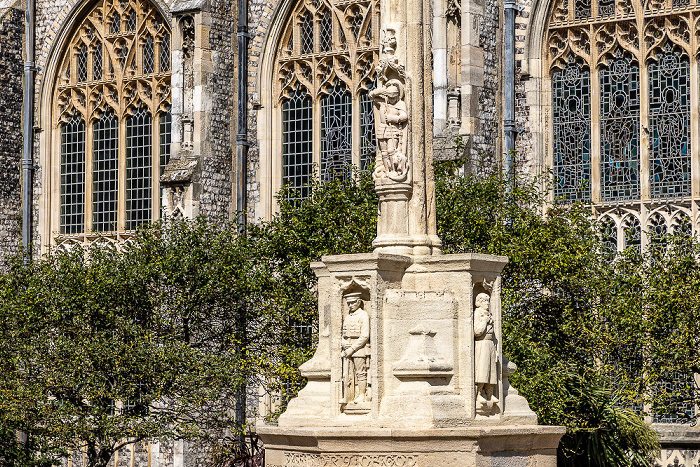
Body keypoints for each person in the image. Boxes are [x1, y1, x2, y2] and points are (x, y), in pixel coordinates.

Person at [369, 79, 408, 178]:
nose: (391, 99)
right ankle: (387, 171)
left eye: (393, 97)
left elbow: (404, 116)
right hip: (383, 129)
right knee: (384, 152)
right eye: (389, 97)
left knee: (391, 151)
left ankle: (394, 171)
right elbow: (371, 95)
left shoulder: (400, 104)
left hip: (393, 130)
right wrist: (383, 90)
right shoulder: (383, 102)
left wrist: (393, 118)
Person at [341, 292, 370, 404]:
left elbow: (365, 336)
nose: (350, 305)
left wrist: (352, 349)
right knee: (347, 373)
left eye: (353, 302)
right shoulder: (348, 316)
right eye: (348, 303)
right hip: (347, 347)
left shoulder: (363, 315)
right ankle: (348, 395)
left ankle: (362, 394)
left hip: (359, 348)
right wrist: (343, 343)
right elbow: (343, 334)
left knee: (360, 373)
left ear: (358, 302)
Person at [474, 292, 498, 410]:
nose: (487, 303)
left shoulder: (490, 314)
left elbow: (494, 334)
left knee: (492, 370)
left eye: (488, 301)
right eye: (484, 301)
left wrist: (496, 349)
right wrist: (484, 321)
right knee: (482, 370)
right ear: (479, 303)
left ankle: (490, 394)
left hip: (490, 344)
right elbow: (477, 331)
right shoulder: (477, 313)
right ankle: (478, 394)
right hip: (482, 344)